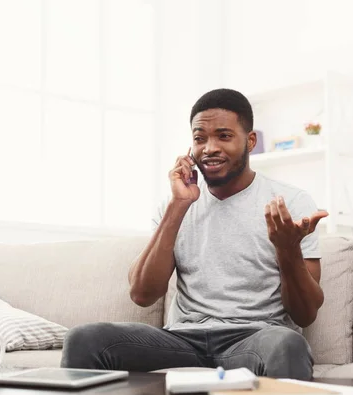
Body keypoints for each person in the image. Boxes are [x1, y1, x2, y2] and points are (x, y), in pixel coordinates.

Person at [60, 88, 328, 380]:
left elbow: (305, 315)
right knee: (84, 340)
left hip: (254, 338)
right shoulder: (176, 203)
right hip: (183, 340)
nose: (209, 148)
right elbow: (141, 294)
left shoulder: (290, 203)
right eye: (200, 138)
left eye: (224, 136)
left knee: (288, 344)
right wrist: (178, 205)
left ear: (250, 141)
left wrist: (286, 249)